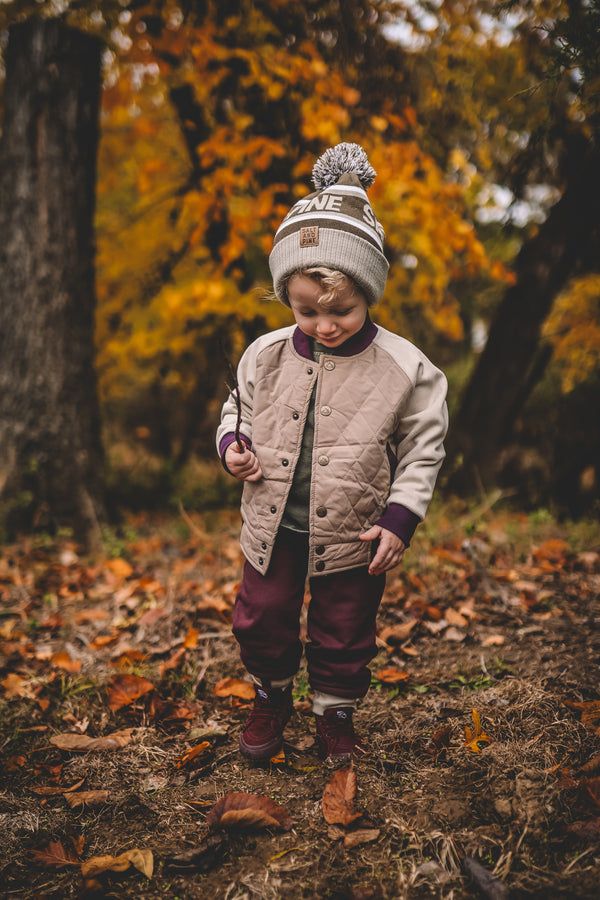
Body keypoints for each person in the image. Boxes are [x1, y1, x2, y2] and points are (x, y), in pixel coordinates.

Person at [217, 143, 448, 762]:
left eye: (341, 310)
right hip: (273, 522)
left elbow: (425, 447)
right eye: (306, 310)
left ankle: (334, 709)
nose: (324, 324)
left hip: (355, 529)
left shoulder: (405, 367)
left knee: (344, 627)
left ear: (369, 292)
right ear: (285, 296)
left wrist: (401, 519)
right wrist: (233, 444)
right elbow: (237, 405)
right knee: (261, 615)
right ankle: (270, 694)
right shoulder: (264, 353)